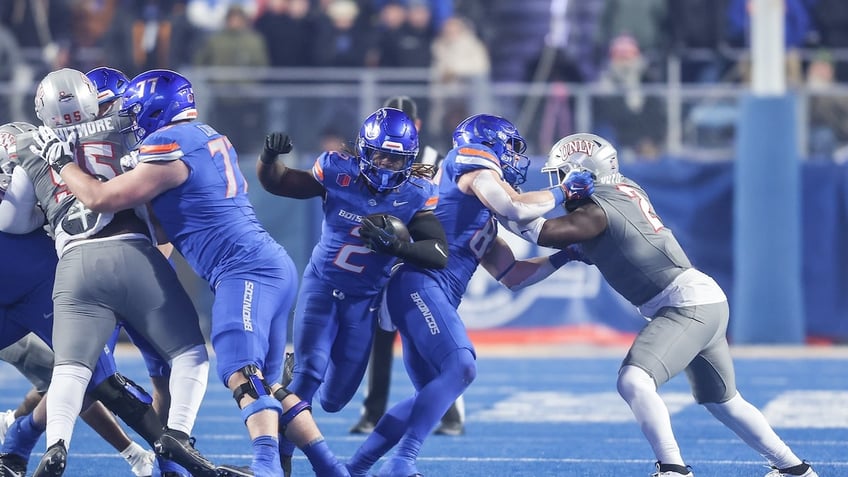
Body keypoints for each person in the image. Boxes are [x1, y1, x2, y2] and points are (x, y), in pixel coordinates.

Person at [40, 68, 348, 477]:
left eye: (136, 110)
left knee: (239, 373)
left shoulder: (169, 146)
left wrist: (62, 162)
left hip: (243, 271)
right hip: (267, 264)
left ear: (155, 109)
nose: (131, 120)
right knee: (268, 388)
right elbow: (172, 224)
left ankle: (266, 469)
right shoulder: (204, 136)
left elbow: (99, 197)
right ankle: (331, 469)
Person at [503, 132, 819, 477]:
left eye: (564, 175)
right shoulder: (621, 191)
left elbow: (539, 230)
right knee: (723, 402)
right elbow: (543, 261)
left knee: (634, 381)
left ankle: (673, 469)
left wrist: (491, 204)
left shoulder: (597, 211)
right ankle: (796, 470)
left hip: (685, 304)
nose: (561, 183)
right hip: (703, 300)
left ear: (586, 174)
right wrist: (566, 254)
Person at [6, 68, 238, 477]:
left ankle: (44, 445)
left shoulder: (30, 144)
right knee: (180, 359)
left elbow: (15, 218)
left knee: (72, 371)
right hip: (122, 255)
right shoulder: (133, 133)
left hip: (71, 265)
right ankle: (176, 447)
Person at [344, 114, 594, 477]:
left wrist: (565, 256)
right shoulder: (470, 165)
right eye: (508, 147)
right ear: (487, 143)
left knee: (428, 396)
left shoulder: (480, 215)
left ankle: (356, 468)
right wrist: (563, 192)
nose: (512, 157)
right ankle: (401, 463)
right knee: (461, 366)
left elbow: (514, 276)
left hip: (427, 292)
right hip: (419, 281)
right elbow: (519, 207)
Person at [255, 106, 449, 475]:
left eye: (397, 158)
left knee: (335, 399)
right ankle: (282, 457)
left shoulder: (416, 192)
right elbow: (277, 182)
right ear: (364, 150)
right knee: (309, 378)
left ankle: (291, 380)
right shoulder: (338, 172)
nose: (388, 165)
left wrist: (396, 248)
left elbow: (438, 253)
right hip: (323, 287)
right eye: (381, 154)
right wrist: (269, 157)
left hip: (364, 302)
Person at [350, 95, 465, 437]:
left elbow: (442, 210)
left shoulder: (437, 161)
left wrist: (413, 243)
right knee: (380, 337)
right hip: (381, 255)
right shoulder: (369, 160)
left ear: (416, 127)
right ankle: (373, 412)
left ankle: (451, 413)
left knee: (430, 336)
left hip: (416, 252)